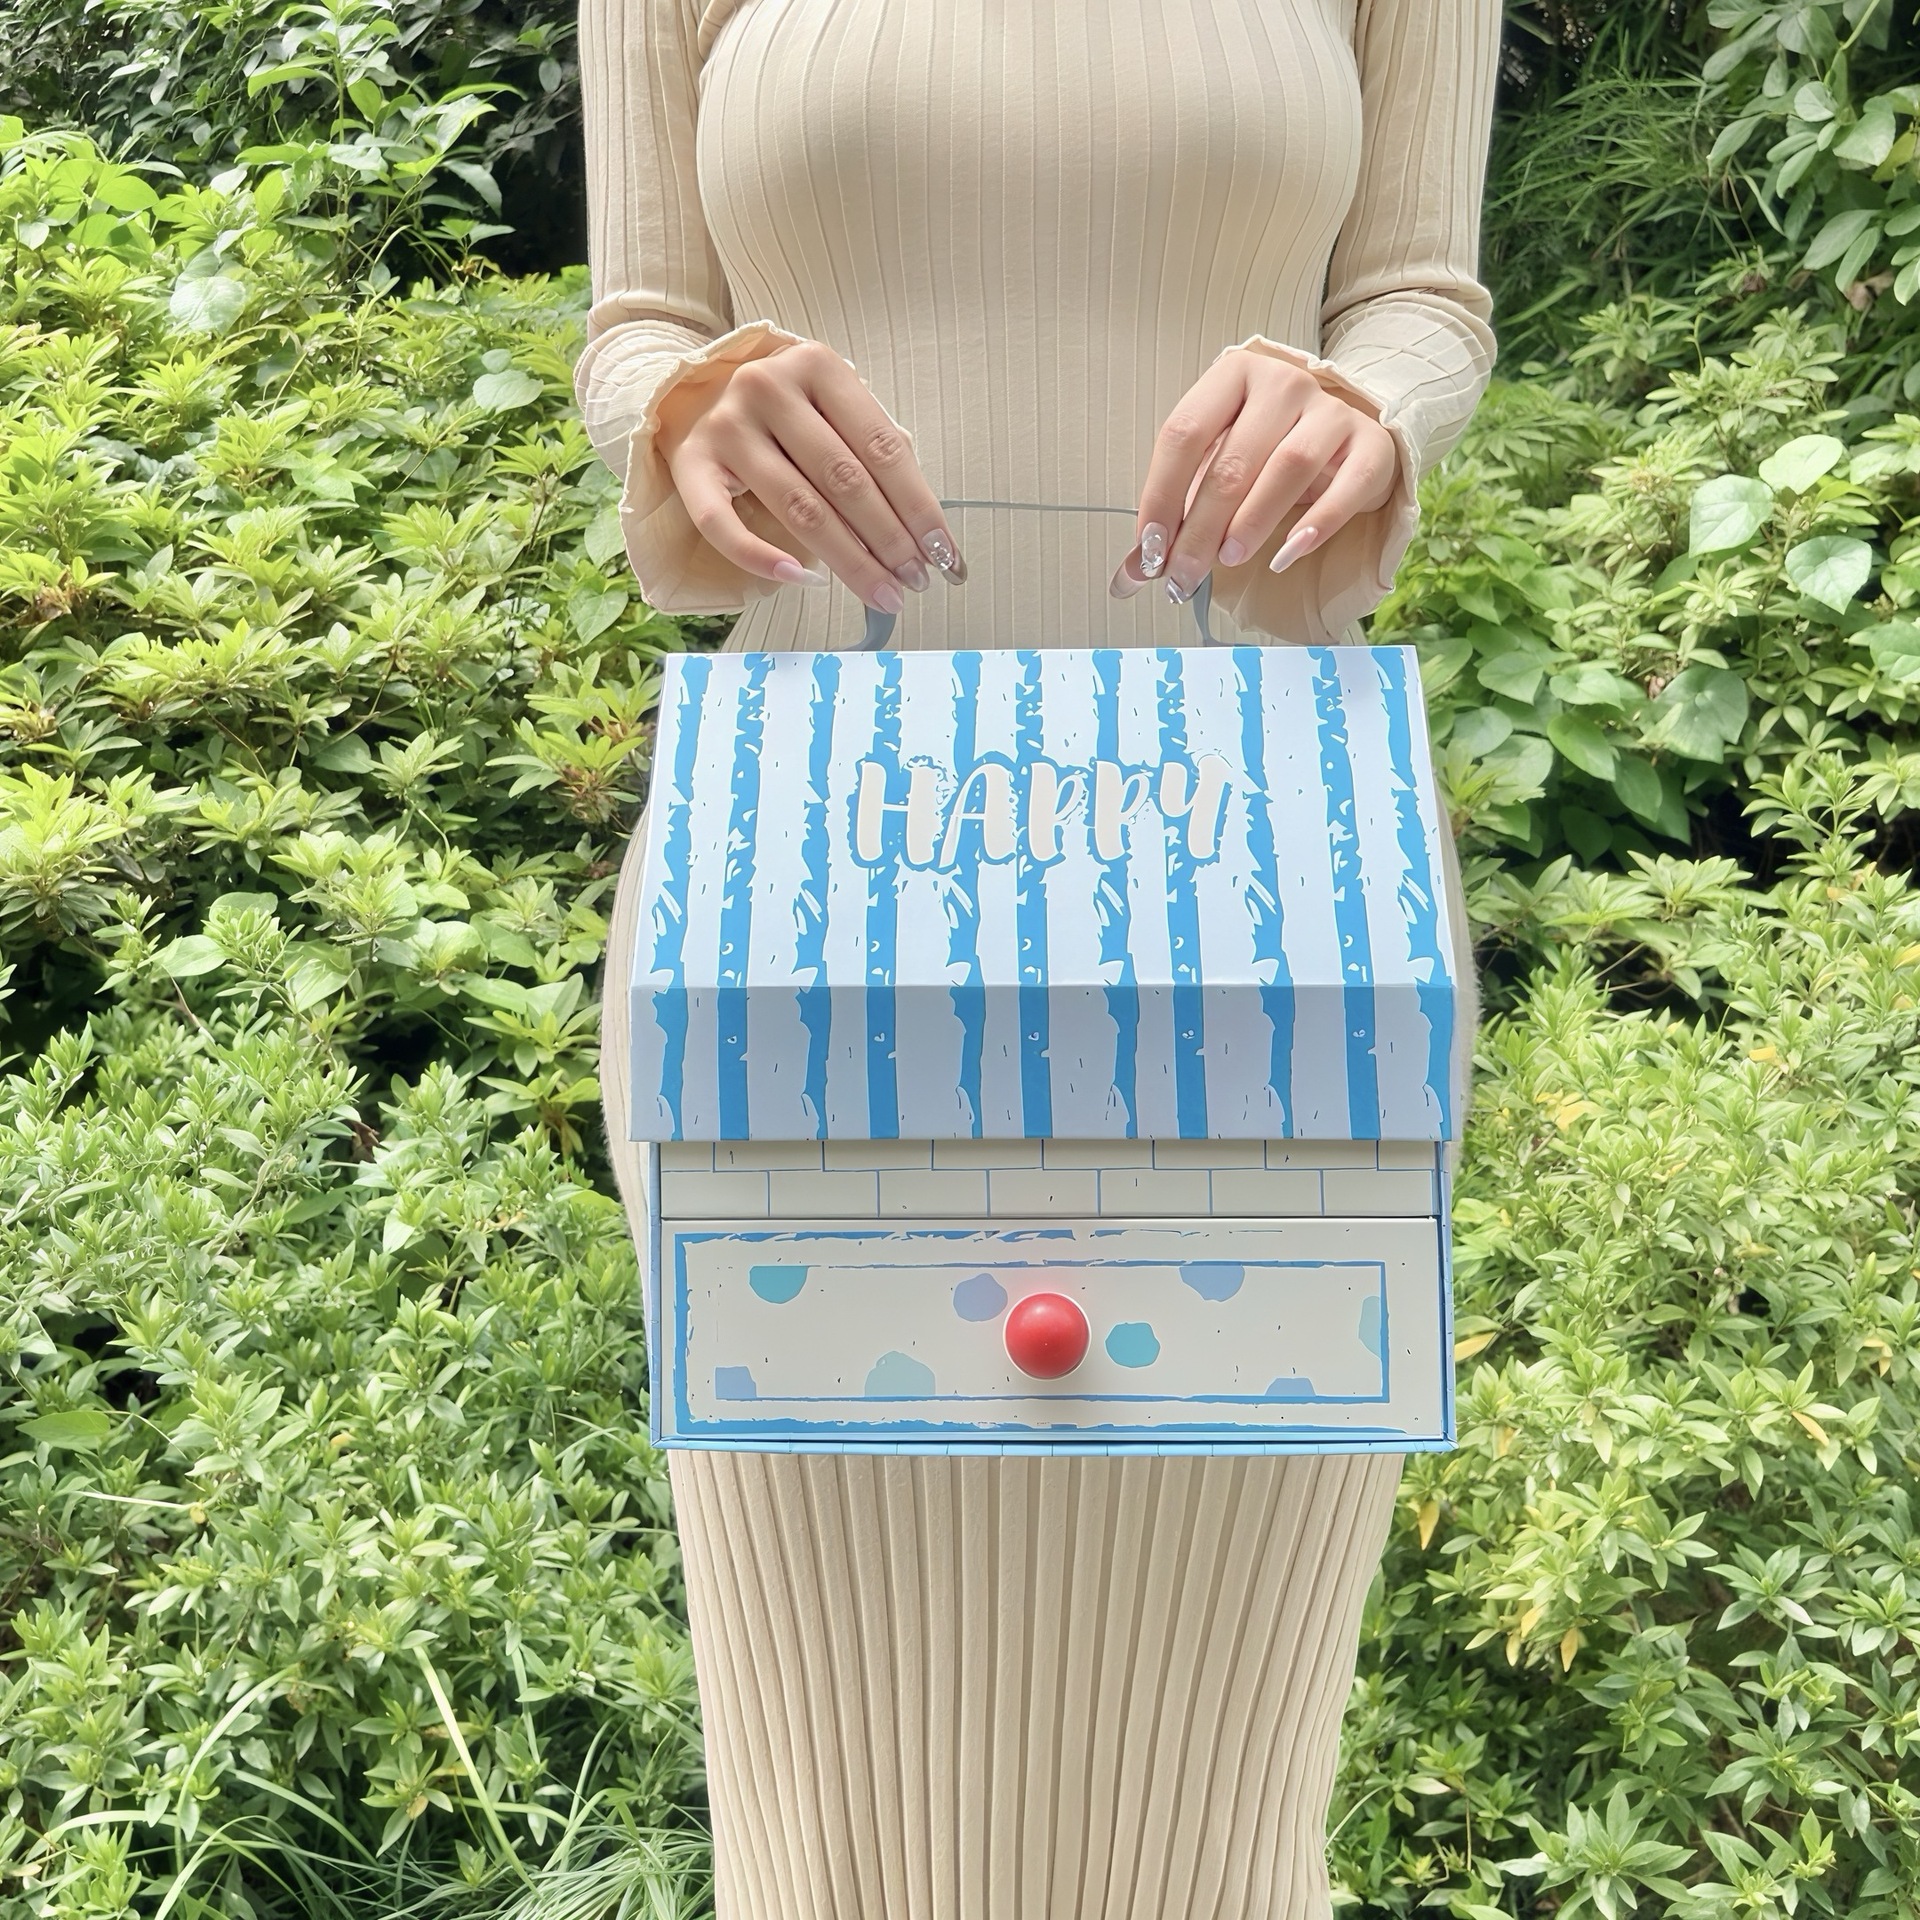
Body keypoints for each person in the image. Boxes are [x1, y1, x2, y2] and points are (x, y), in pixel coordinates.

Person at [582, 4, 1497, 1914]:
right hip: (801, 927)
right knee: (837, 1805)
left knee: (1209, 1806)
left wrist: (1367, 408)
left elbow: (1420, 291)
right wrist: (687, 404)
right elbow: (639, 319)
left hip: (1270, 922)